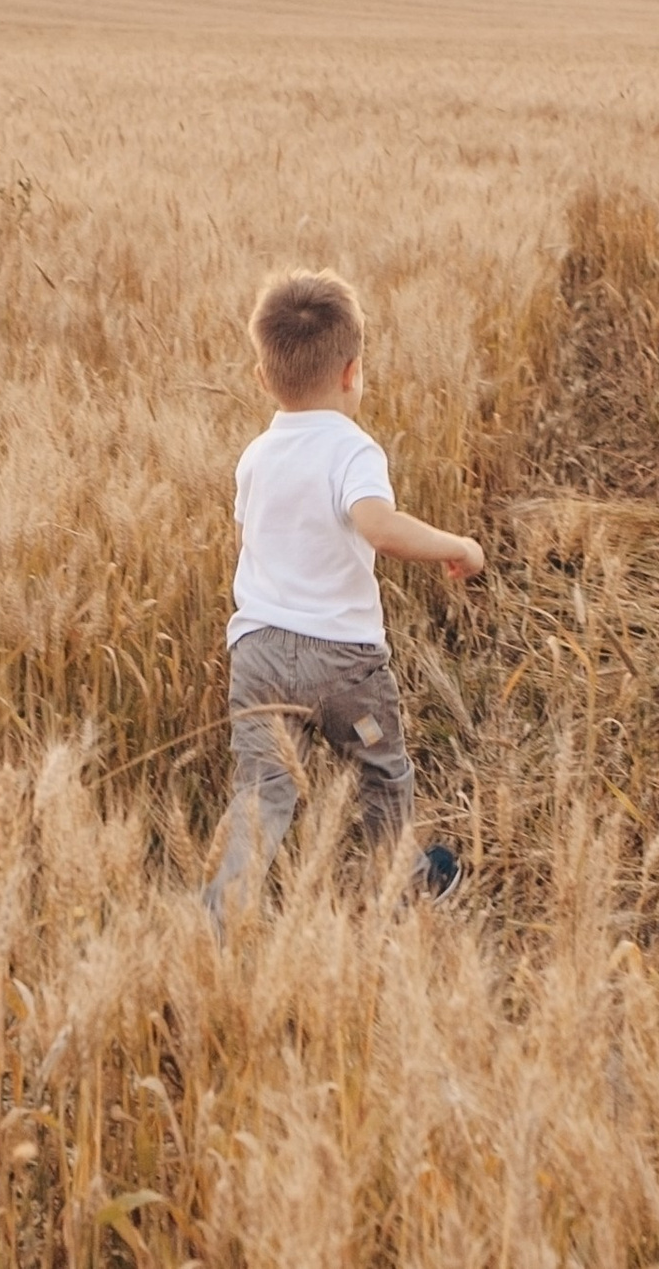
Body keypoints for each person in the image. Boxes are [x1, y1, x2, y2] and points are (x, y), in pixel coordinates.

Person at [203, 270, 483, 929]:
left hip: (260, 656)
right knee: (381, 770)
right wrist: (459, 546)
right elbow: (378, 525)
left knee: (264, 791)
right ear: (353, 372)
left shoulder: (256, 455)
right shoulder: (353, 449)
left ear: (262, 377)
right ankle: (403, 879)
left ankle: (220, 916)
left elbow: (248, 539)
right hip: (344, 668)